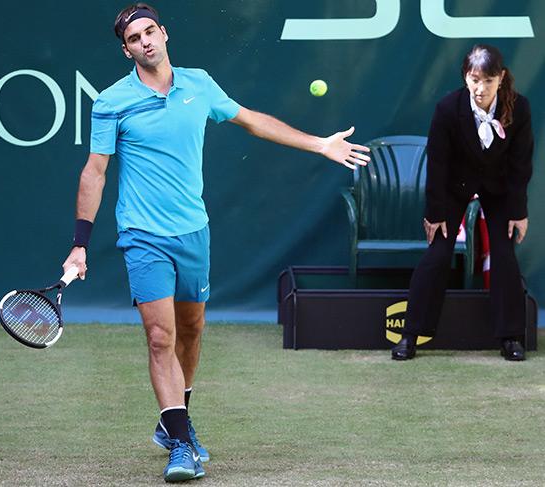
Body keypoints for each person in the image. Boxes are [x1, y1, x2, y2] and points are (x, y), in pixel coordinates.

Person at [62, 3, 370, 482]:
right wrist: (80, 243)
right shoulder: (111, 102)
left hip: (194, 232)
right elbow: (94, 171)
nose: (145, 41)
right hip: (143, 236)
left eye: (150, 31)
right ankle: (181, 444)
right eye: (134, 38)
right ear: (126, 51)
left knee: (191, 331)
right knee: (160, 336)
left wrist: (319, 143)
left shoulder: (199, 84)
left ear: (164, 34)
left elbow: (251, 121)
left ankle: (172, 421)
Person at [392, 44, 533, 362]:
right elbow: (438, 163)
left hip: (497, 190)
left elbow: (521, 165)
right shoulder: (447, 108)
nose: (480, 88)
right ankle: (410, 335)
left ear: (501, 78)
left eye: (488, 80)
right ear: (465, 78)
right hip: (455, 187)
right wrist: (435, 212)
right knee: (438, 253)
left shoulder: (519, 109)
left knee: (504, 253)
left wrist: (518, 212)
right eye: (474, 80)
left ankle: (510, 337)